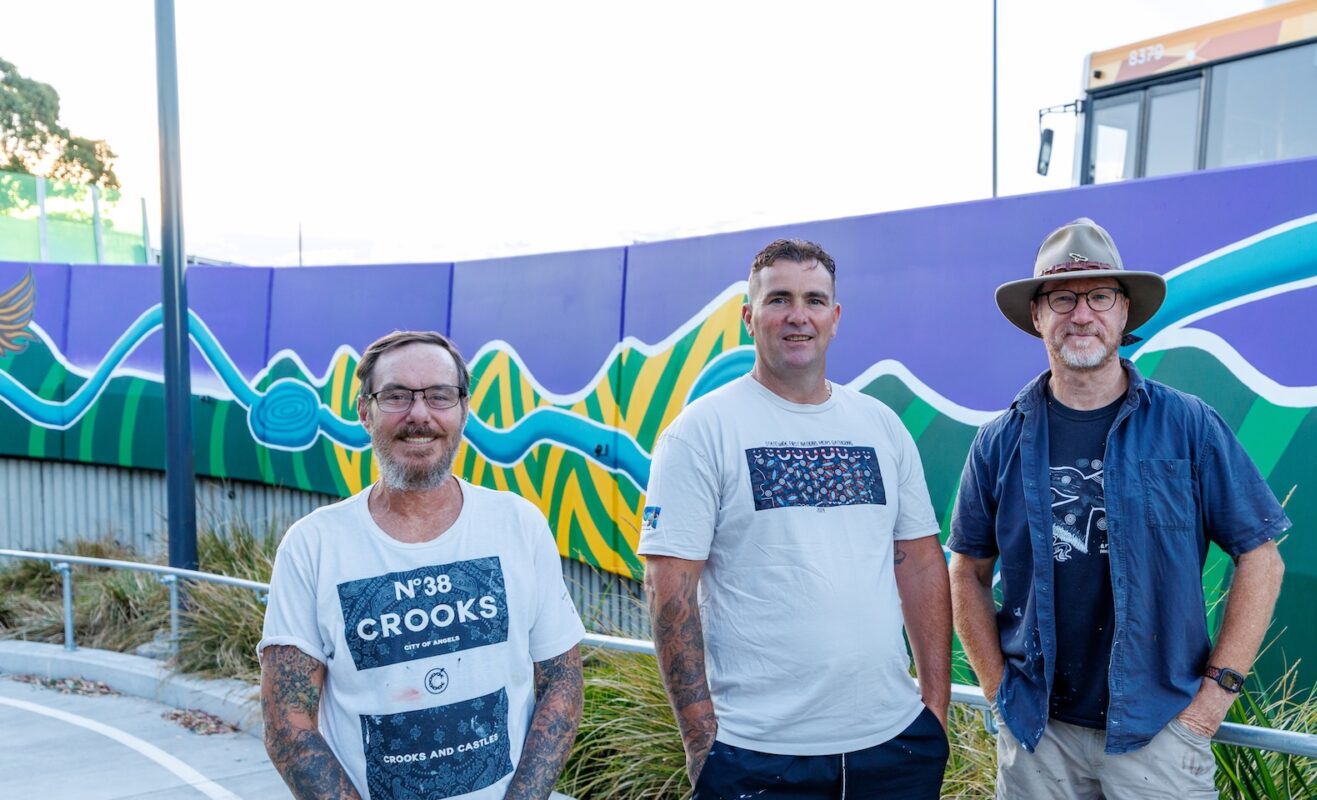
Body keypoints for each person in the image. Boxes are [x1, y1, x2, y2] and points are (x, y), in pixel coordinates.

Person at [948, 219, 1288, 799]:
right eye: (1062, 298)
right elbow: (966, 571)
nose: (1082, 314)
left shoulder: (1189, 427)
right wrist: (998, 690)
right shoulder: (998, 441)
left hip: (1159, 736)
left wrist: (1211, 705)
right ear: (1038, 317)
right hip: (1038, 739)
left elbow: (1261, 557)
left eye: (1100, 296)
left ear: (1124, 312)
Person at [639, 239, 952, 799]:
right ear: (749, 317)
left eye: (814, 299)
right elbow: (670, 589)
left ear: (835, 317)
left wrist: (935, 709)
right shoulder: (700, 432)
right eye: (778, 299)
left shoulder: (880, 425)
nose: (797, 315)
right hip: (757, 754)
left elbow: (923, 565)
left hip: (895, 744)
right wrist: (701, 740)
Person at [258, 330, 585, 800]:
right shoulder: (313, 545)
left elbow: (562, 683)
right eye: (395, 396)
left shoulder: (518, 525)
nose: (419, 414)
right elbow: (287, 725)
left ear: (463, 410)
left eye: (439, 395)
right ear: (365, 412)